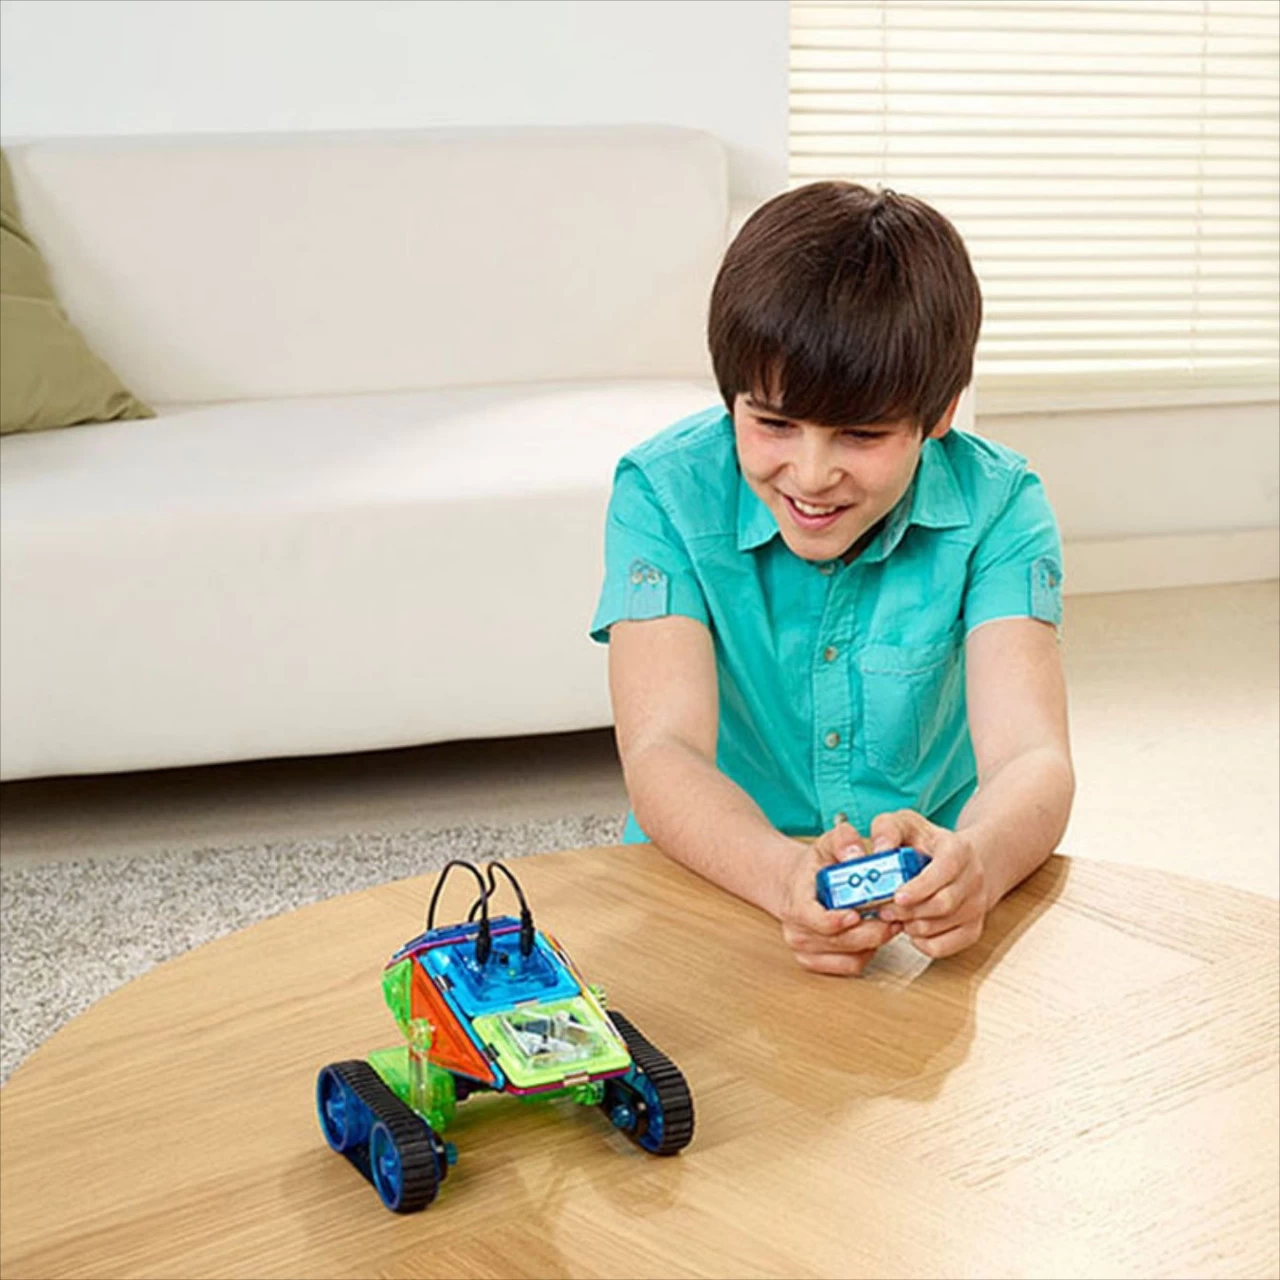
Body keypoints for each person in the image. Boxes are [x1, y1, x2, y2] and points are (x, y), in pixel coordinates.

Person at [590, 182, 1074, 976]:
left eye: (861, 434)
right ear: (731, 398)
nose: (811, 475)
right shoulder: (663, 493)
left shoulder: (1002, 507)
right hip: (715, 871)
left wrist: (978, 861)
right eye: (773, 423)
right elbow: (663, 752)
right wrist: (782, 875)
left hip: (930, 900)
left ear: (940, 412)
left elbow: (1031, 756)